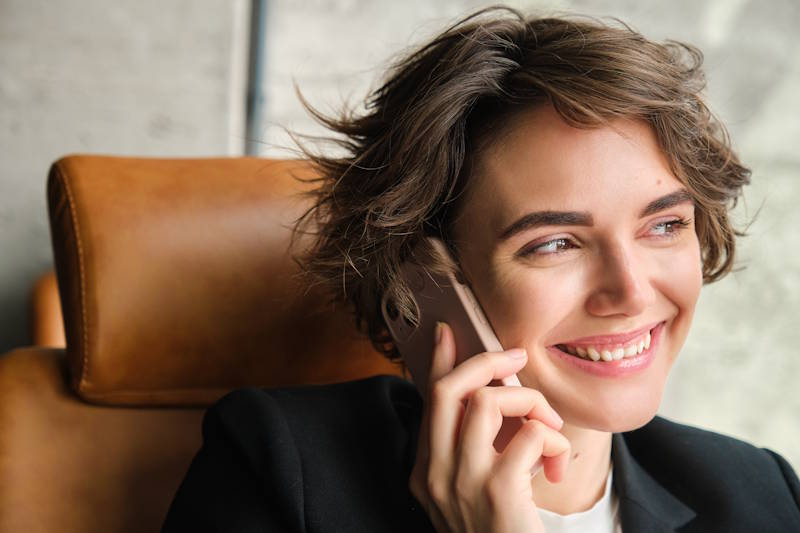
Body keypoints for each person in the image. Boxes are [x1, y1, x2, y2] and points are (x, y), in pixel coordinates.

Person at [161, 7, 800, 532]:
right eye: (555, 243)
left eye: (664, 225)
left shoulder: (760, 495)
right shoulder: (279, 470)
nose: (631, 293)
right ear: (424, 280)